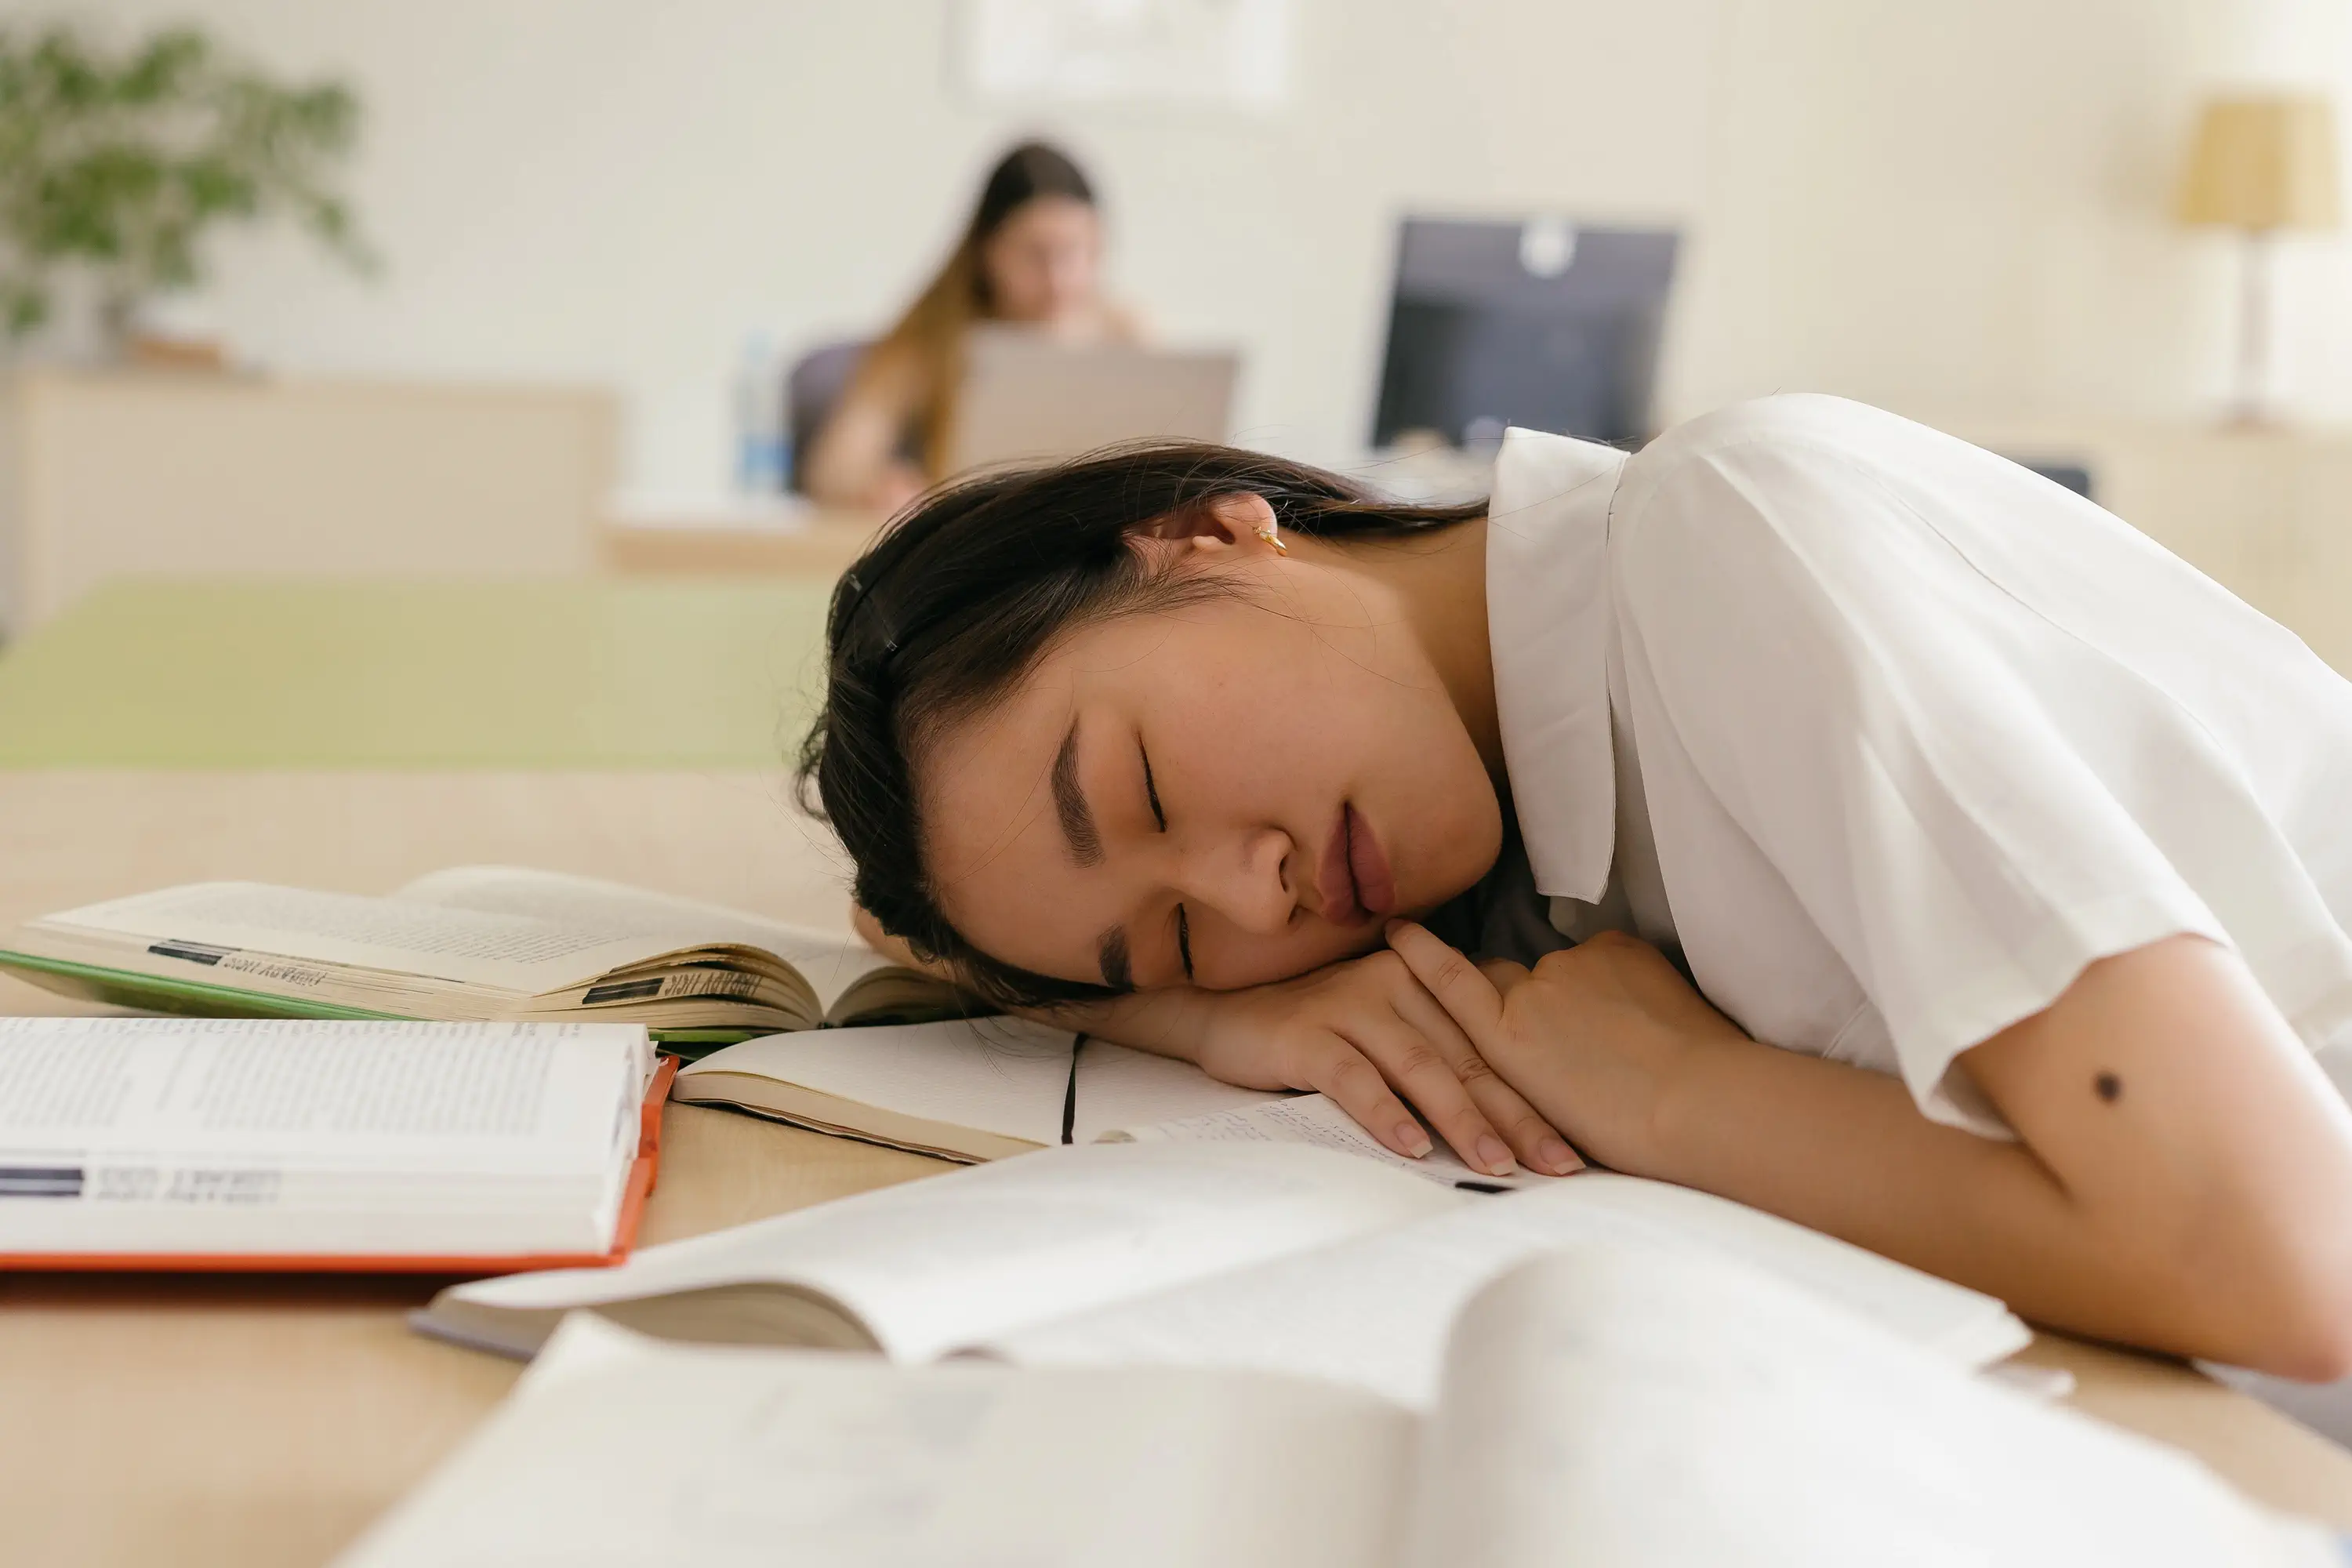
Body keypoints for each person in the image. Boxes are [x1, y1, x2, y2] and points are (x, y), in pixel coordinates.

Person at [800, 394, 2352, 1384]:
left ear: (1210, 533)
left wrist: (1682, 1098)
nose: (1257, 898)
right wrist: (1211, 1023)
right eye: (1182, 936)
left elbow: (2284, 1263)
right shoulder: (1511, 835)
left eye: (1140, 787)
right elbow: (913, 935)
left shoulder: (1722, 543)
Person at [800, 140, 1143, 512]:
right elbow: (834, 472)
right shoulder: (932, 338)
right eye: (1035, 253)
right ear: (987, 251)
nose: (1057, 280)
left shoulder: (1122, 333)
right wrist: (879, 487)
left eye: (1074, 251)